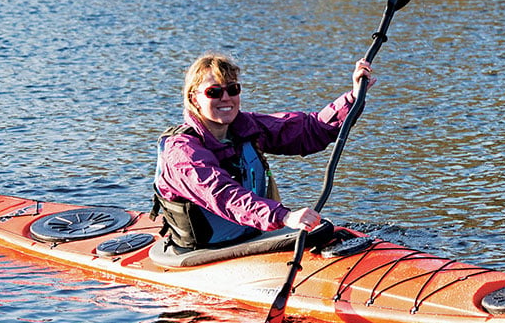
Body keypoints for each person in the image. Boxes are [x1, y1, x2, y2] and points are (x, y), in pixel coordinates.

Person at [151, 52, 373, 251]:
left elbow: (308, 130)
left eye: (232, 89)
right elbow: (223, 194)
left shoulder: (245, 126)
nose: (225, 97)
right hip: (203, 251)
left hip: (251, 235)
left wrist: (353, 96)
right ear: (194, 99)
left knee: (324, 230)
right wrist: (284, 216)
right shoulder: (181, 151)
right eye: (214, 92)